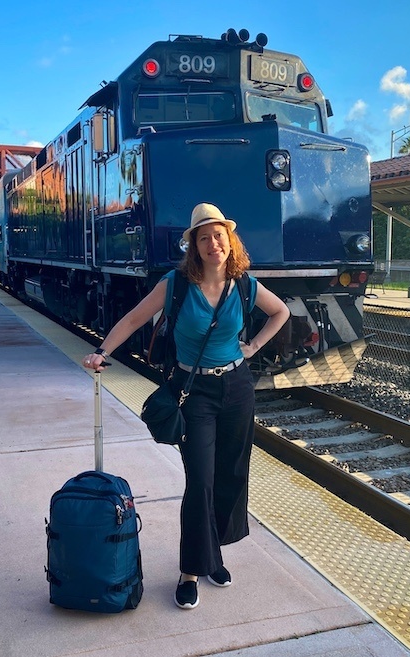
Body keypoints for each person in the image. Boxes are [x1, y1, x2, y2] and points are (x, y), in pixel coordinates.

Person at [82, 202, 290, 610]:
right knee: (201, 480)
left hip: (236, 389)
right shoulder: (175, 284)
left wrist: (253, 347)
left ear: (230, 241)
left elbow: (280, 312)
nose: (213, 243)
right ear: (194, 245)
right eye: (204, 237)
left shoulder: (244, 284)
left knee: (230, 476)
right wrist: (101, 351)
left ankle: (213, 557)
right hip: (193, 393)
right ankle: (191, 570)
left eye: (219, 235)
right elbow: (132, 320)